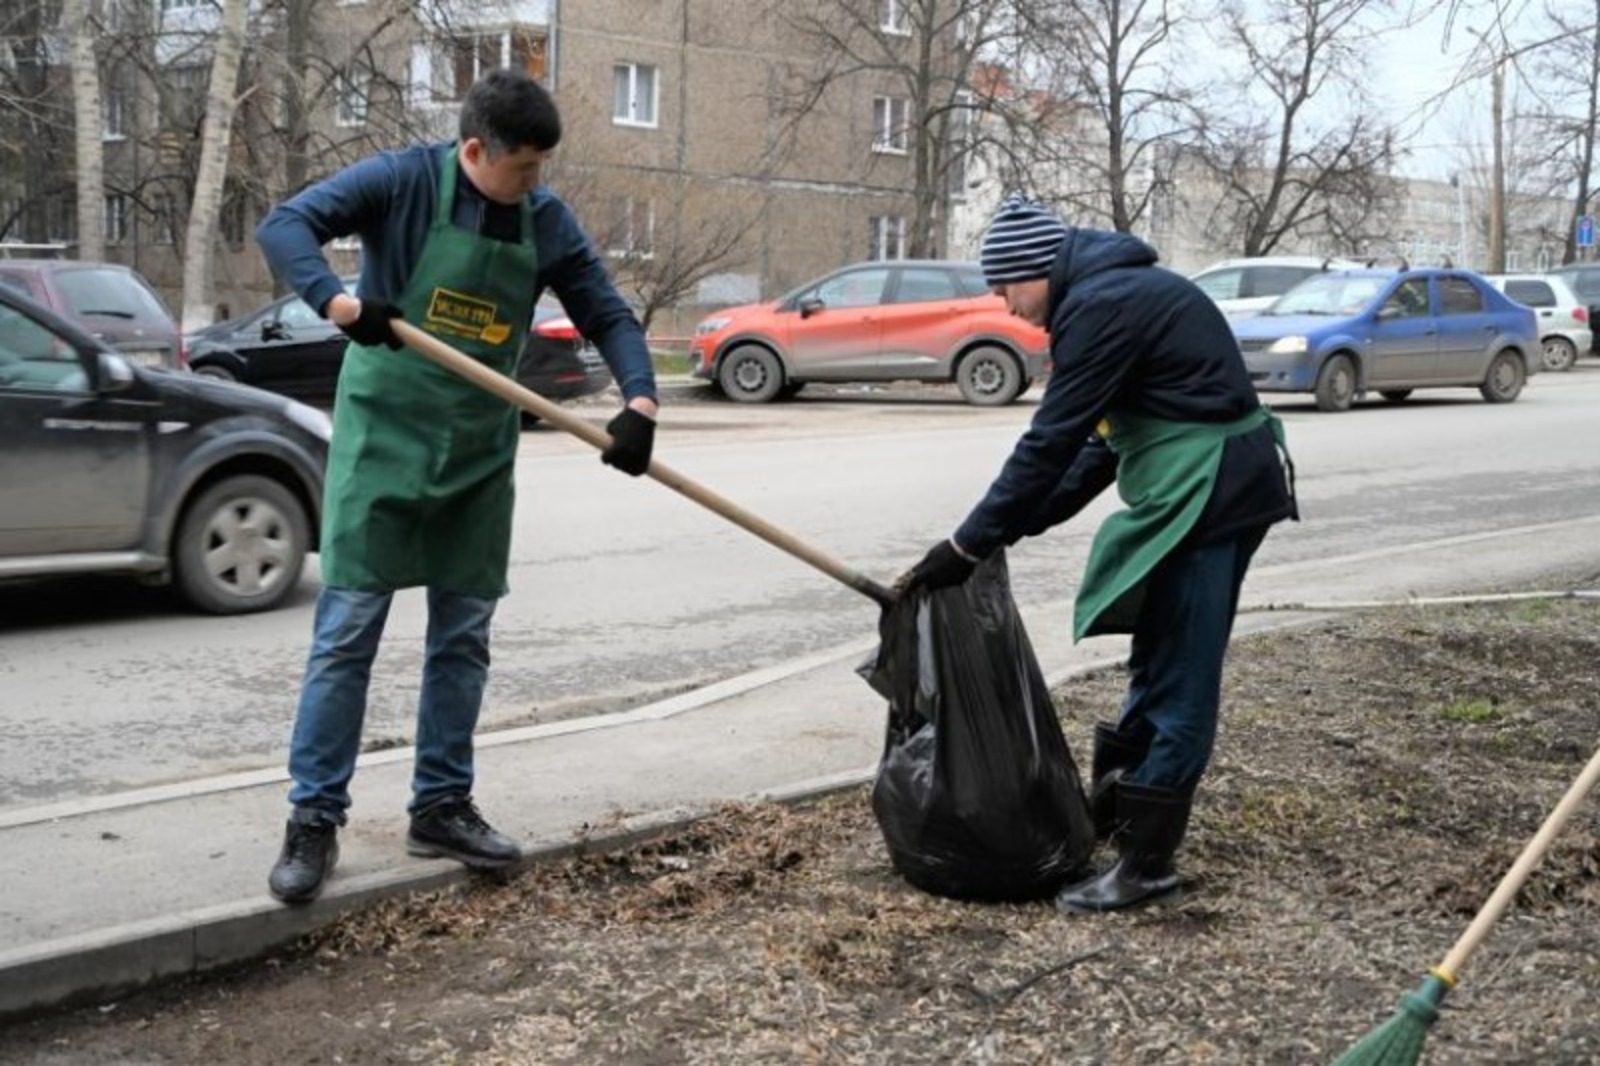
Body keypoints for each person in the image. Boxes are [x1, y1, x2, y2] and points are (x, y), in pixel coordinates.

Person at [257, 69, 658, 905]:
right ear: (475, 150)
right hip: (386, 442)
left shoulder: (544, 220)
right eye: (523, 168)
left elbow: (607, 312)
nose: (534, 183)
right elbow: (287, 224)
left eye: (542, 167)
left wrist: (640, 400)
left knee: (464, 637)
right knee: (348, 634)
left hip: (477, 453)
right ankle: (314, 820)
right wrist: (336, 301)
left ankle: (441, 804)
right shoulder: (400, 180)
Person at [898, 194, 1297, 913]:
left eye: (1005, 286)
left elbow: (1052, 438)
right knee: (1158, 654)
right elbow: (1095, 448)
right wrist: (997, 535)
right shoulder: (1109, 295)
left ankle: (1147, 867)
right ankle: (1118, 819)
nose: (1003, 303)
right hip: (1191, 486)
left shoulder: (1103, 304)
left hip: (1215, 493)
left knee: (1183, 673)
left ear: (1038, 270)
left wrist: (968, 541)